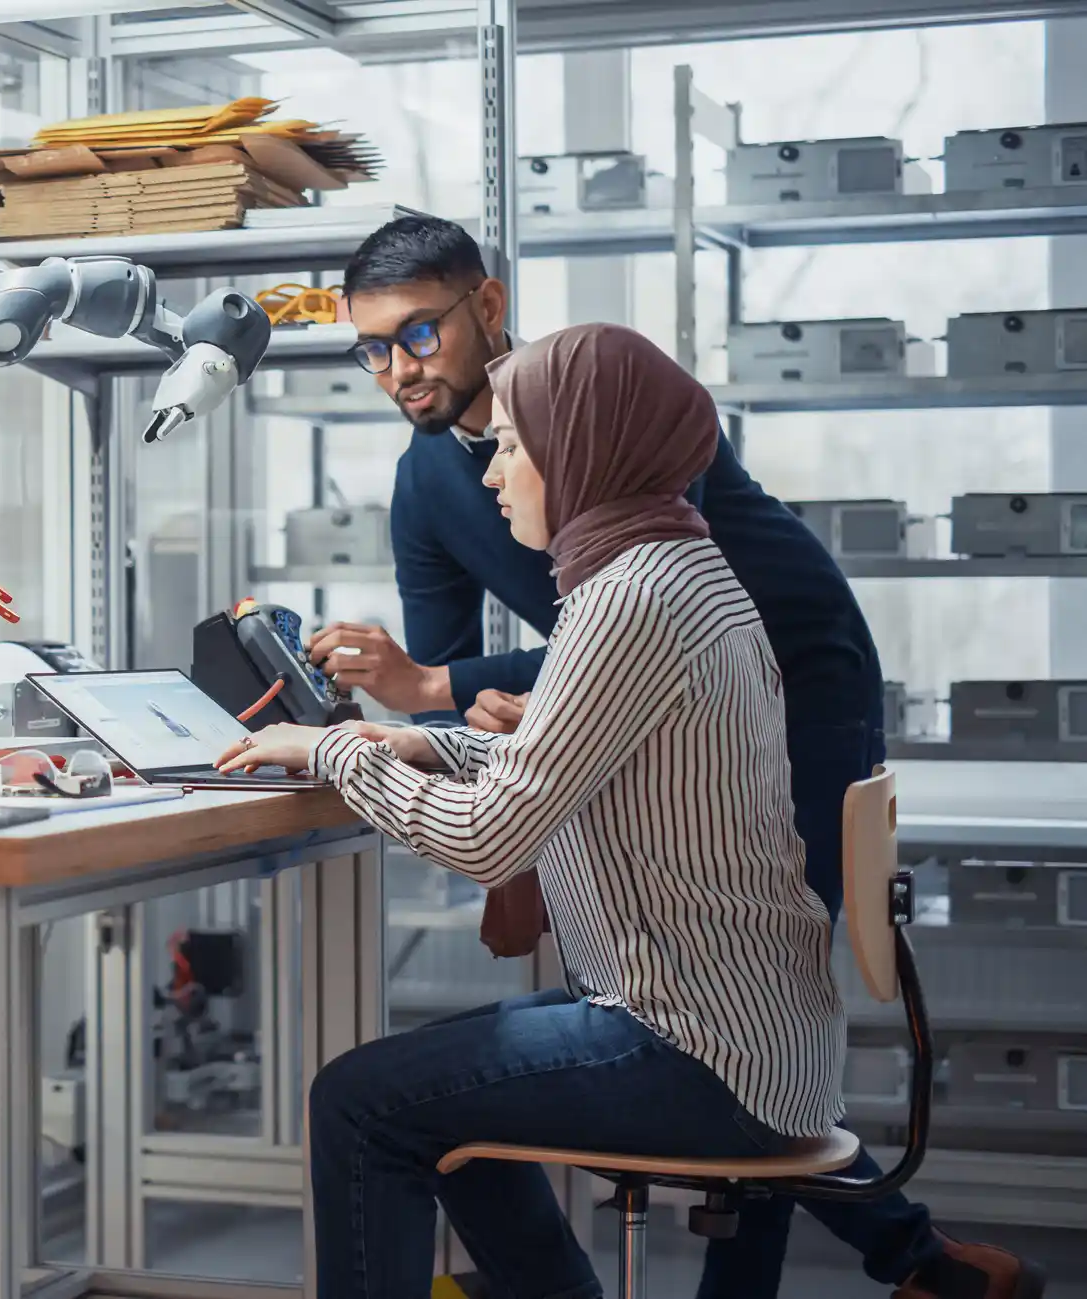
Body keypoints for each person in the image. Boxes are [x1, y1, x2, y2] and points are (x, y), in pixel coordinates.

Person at [294, 216, 1042, 1298]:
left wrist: (409, 730)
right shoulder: (430, 483)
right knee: (695, 1020)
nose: (396, 369)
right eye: (369, 348)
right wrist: (476, 799)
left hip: (801, 688)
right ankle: (912, 1256)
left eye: (416, 334)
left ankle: (822, 1272)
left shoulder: (599, 407)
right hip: (627, 719)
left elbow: (608, 636)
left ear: (485, 309)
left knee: (733, 1008)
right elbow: (519, 693)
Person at [221, 322, 851, 1298]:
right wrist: (425, 741)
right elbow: (572, 764)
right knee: (443, 1093)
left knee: (360, 1101)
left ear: (586, 450)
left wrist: (336, 748)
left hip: (699, 1052)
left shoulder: (622, 603)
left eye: (514, 446)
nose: (491, 475)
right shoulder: (673, 572)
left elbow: (488, 836)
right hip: (751, 1034)